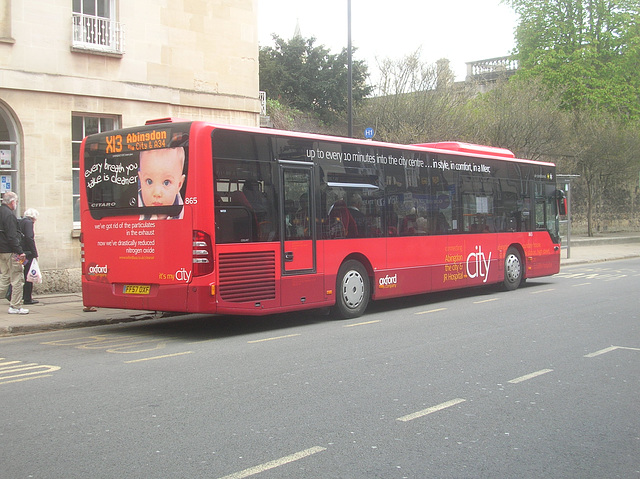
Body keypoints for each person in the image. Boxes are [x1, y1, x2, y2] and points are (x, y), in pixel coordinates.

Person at [0, 192, 28, 314]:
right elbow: (12, 236)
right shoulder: (9, 215)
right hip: (12, 251)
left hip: (1, 251)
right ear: (12, 202)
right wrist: (20, 251)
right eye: (16, 202)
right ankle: (15, 306)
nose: (16, 204)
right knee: (17, 278)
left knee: (4, 277)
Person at [138, 147, 186, 219]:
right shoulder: (137, 205)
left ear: (179, 185)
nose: (157, 193)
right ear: (140, 180)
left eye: (166, 182)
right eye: (149, 181)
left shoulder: (181, 210)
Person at [19, 208, 39, 304]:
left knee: (19, 273)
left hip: (19, 252)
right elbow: (29, 238)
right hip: (27, 254)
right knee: (29, 274)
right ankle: (27, 297)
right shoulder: (28, 223)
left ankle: (16, 295)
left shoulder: (20, 221)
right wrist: (35, 253)